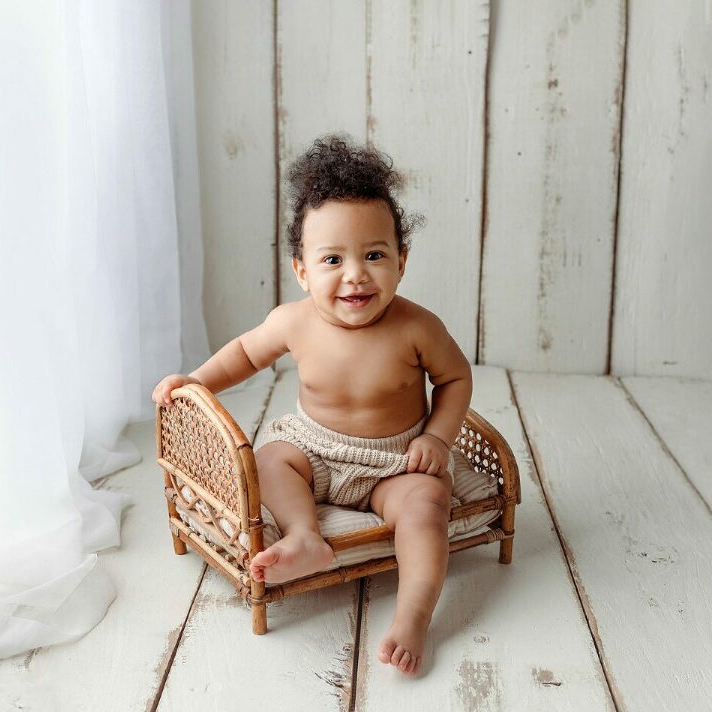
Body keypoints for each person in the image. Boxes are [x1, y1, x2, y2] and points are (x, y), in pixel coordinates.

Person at [152, 135, 472, 677]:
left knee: (425, 509)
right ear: (302, 270)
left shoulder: (418, 327)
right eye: (333, 259)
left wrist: (436, 438)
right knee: (270, 458)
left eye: (375, 254)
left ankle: (414, 614)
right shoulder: (292, 321)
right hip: (315, 447)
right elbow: (244, 354)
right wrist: (197, 380)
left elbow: (456, 378)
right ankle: (305, 537)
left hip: (394, 461)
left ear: (402, 260)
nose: (355, 274)